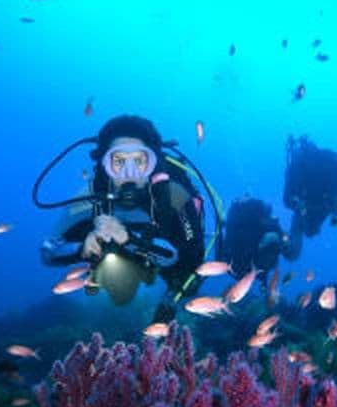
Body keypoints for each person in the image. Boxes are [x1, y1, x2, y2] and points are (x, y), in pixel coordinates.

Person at [39, 115, 209, 324]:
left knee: (186, 283)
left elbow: (193, 257)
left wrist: (131, 240)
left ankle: (168, 298)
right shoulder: (91, 193)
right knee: (119, 293)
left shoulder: (174, 194)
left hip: (167, 258)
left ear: (154, 162)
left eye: (139, 161)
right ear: (104, 163)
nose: (130, 173)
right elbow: (49, 250)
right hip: (122, 261)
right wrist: (82, 247)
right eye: (118, 161)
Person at [219, 196, 294, 278]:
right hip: (239, 257)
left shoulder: (271, 226)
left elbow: (284, 237)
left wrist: (285, 242)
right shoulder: (245, 243)